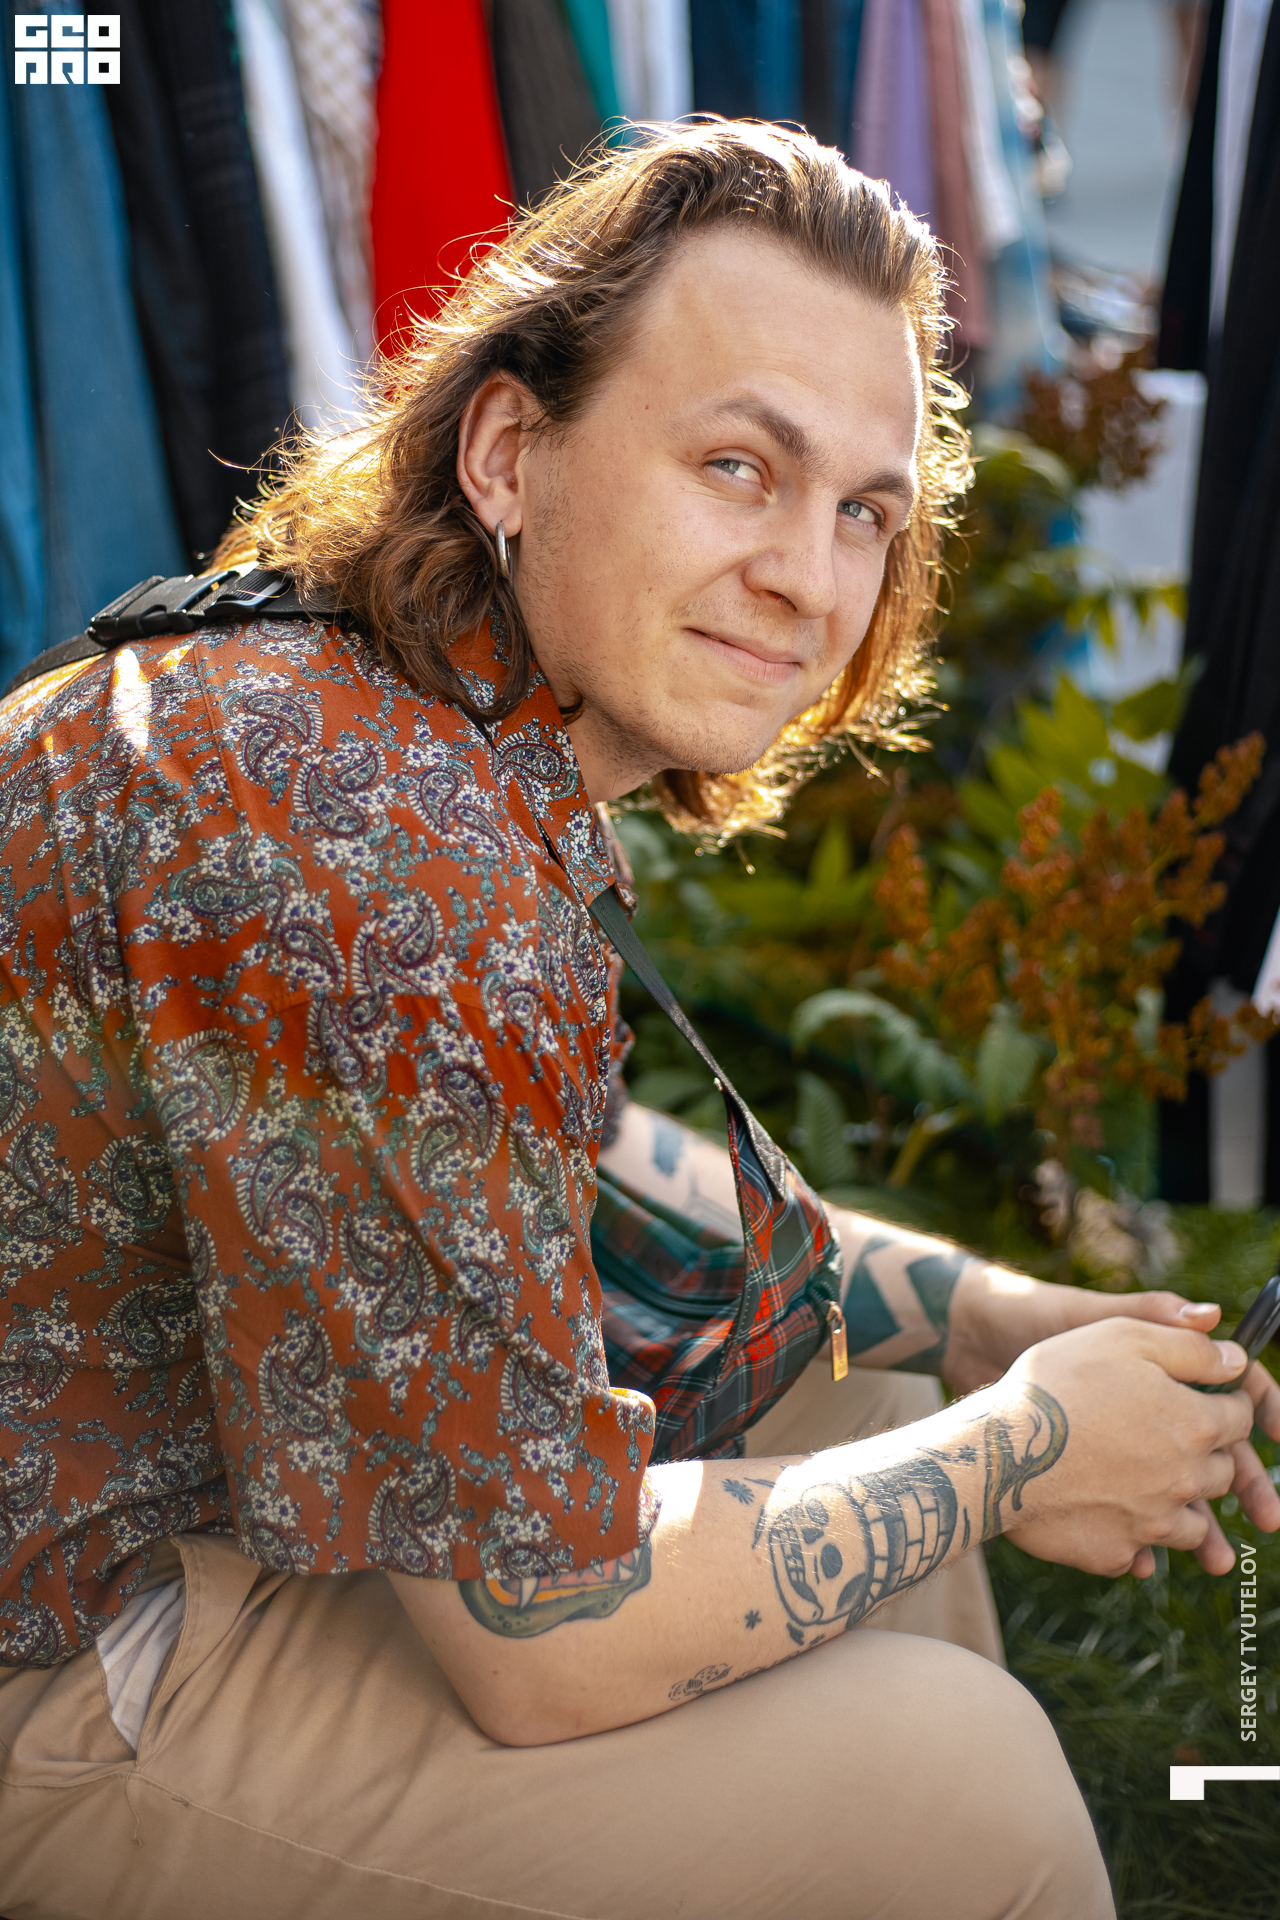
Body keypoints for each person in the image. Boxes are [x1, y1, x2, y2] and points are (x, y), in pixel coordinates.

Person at [1, 121, 1276, 1920]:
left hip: (166, 1514)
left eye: (864, 511)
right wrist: (1024, 1449)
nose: (811, 578)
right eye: (739, 466)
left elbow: (567, 1152)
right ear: (510, 450)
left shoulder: (401, 719)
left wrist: (983, 1317)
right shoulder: (370, 847)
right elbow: (546, 1629)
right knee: (958, 1781)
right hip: (57, 1663)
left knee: (834, 1384)